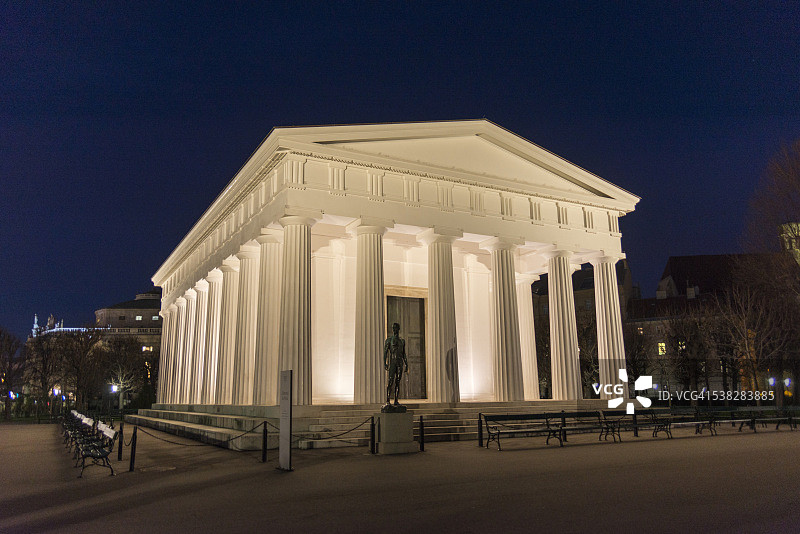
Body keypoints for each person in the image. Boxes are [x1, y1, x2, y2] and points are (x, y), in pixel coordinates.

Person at [384, 322, 408, 405]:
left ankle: (396, 400)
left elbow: (403, 353)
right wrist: (385, 363)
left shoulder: (402, 341)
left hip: (399, 363)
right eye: (393, 328)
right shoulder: (389, 340)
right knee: (390, 381)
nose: (394, 329)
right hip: (393, 363)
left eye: (396, 328)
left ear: (398, 329)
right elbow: (385, 353)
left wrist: (406, 364)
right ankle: (387, 400)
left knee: (398, 382)